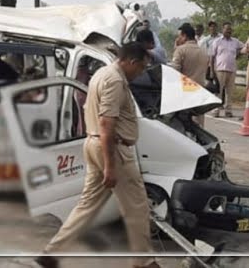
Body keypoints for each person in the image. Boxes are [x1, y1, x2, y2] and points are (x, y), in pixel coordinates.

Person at [35, 42, 160, 268]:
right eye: (141, 67)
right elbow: (106, 123)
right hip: (112, 148)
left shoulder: (102, 73)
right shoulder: (114, 80)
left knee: (87, 205)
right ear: (131, 62)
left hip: (94, 144)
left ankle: (51, 253)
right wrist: (111, 167)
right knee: (137, 208)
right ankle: (144, 262)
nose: (141, 72)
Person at [171, 24, 209, 126]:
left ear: (184, 36)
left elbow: (174, 72)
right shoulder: (203, 51)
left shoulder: (181, 50)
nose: (178, 39)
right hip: (201, 89)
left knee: (183, 122)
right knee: (199, 122)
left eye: (179, 36)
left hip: (185, 90)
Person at [210, 22, 244, 118]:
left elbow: (244, 48)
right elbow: (212, 57)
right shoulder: (217, 41)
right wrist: (212, 72)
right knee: (218, 92)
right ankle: (215, 110)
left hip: (231, 69)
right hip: (220, 70)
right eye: (227, 29)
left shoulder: (235, 41)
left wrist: (238, 54)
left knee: (229, 92)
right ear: (223, 30)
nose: (229, 31)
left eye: (230, 29)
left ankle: (228, 110)